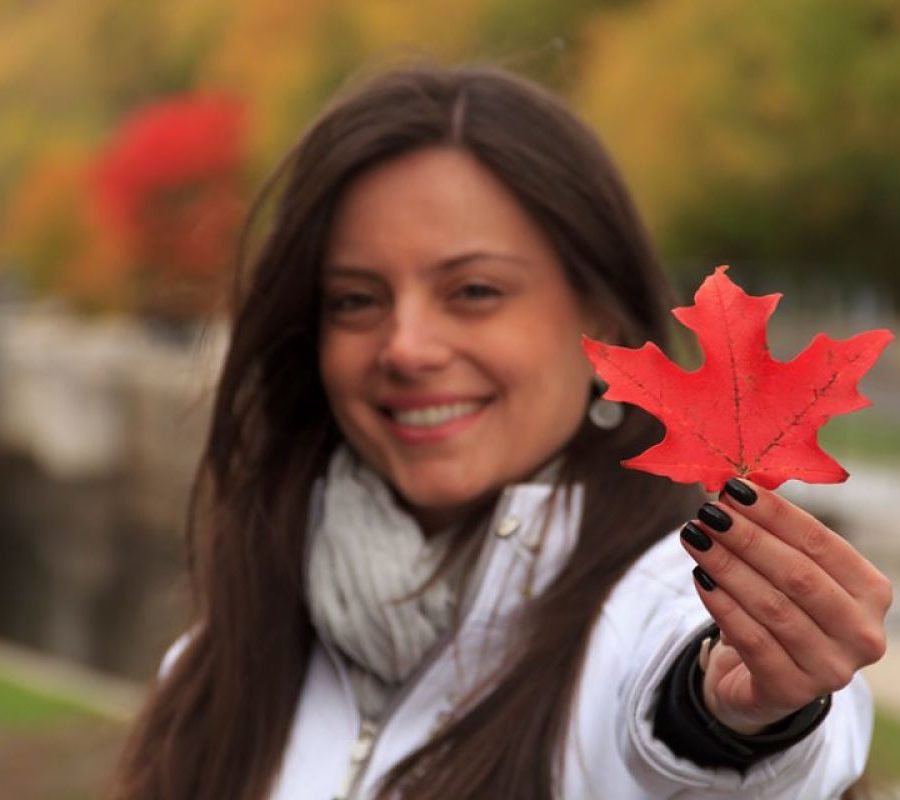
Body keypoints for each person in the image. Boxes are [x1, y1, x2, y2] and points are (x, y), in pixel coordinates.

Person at [108, 64, 891, 800]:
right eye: (354, 300)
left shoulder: (661, 607)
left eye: (474, 290)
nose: (406, 346)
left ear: (601, 316)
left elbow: (715, 738)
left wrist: (741, 719)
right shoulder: (219, 658)